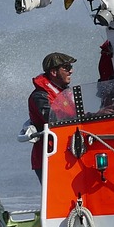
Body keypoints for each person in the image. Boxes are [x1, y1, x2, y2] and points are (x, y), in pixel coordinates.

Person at [27, 52, 76, 181]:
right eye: (66, 67)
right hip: (49, 156)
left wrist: (97, 115)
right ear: (54, 72)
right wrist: (87, 117)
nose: (71, 71)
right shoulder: (40, 96)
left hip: (67, 153)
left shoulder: (64, 93)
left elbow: (75, 115)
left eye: (70, 67)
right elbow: (53, 118)